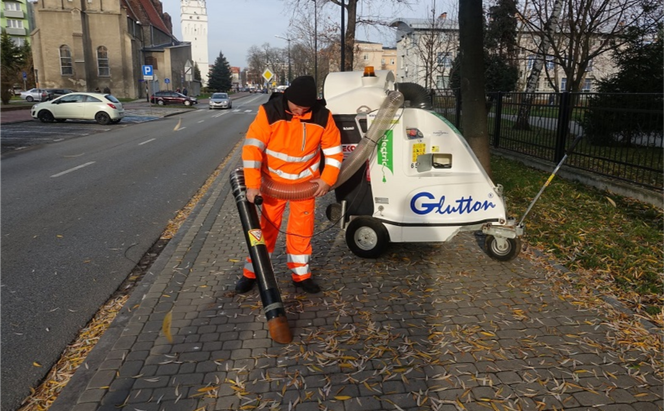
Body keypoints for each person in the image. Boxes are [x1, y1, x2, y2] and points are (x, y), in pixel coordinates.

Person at [236, 76, 343, 294]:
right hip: (272, 185)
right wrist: (253, 184)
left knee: (301, 232)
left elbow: (333, 152)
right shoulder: (269, 112)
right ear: (287, 98)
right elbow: (252, 149)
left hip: (305, 185)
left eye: (305, 109)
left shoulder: (323, 117)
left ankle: (301, 275)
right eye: (296, 107)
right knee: (264, 230)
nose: (300, 113)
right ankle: (252, 272)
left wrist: (327, 179)